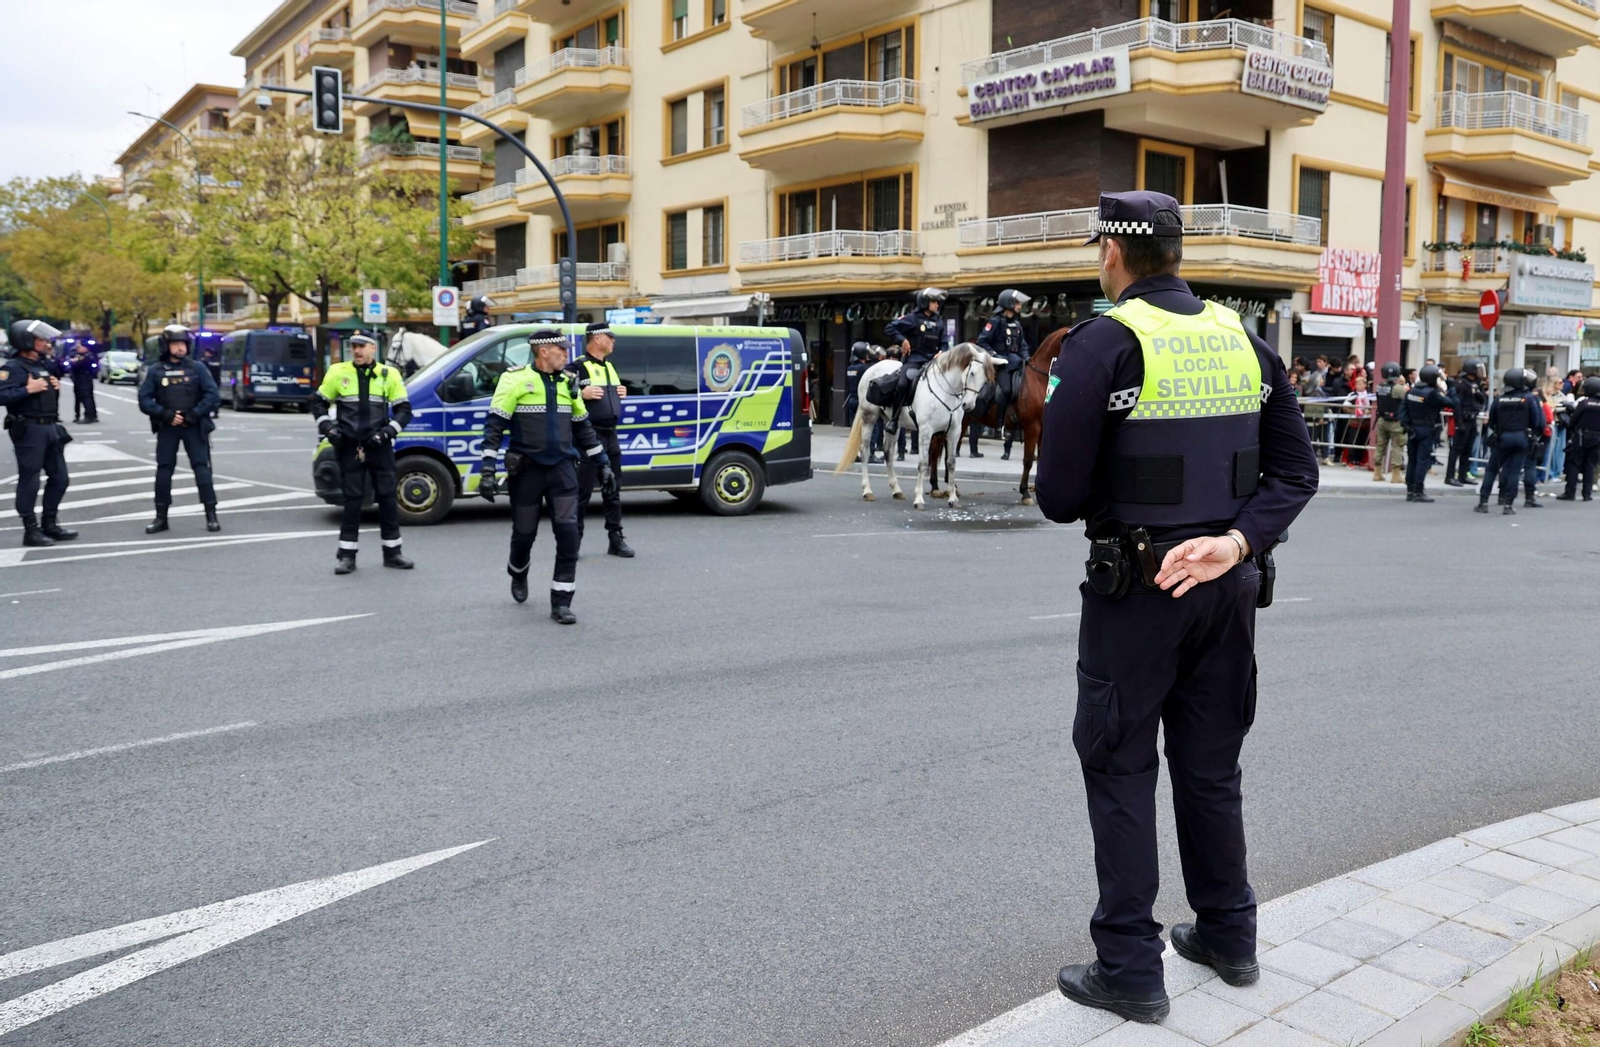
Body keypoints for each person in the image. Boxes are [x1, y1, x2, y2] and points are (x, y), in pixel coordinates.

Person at [1036, 191, 1318, 1024]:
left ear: (1113, 255)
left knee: (1120, 765)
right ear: (1177, 254)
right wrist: (1234, 542)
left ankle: (1129, 965)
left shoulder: (1102, 346)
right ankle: (1229, 935)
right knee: (1210, 765)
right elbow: (1295, 474)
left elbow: (1057, 496)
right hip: (1228, 588)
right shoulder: (1243, 339)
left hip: (1140, 590)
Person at [479, 329, 616, 625]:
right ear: (544, 352)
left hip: (563, 470)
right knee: (524, 534)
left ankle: (561, 602)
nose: (567, 355)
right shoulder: (513, 379)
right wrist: (487, 470)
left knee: (568, 535)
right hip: (526, 470)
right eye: (561, 350)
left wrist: (603, 463)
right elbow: (494, 428)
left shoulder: (569, 383)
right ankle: (518, 571)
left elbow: (582, 428)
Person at [312, 333, 414, 574]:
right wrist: (328, 428)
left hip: (379, 446)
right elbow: (317, 403)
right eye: (353, 347)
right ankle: (346, 556)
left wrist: (387, 432)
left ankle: (393, 552)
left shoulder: (389, 374)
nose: (356, 351)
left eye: (361, 347)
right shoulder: (338, 372)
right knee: (352, 499)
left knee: (388, 498)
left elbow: (404, 410)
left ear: (372, 348)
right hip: (349, 446)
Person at [138, 324, 223, 534]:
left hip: (194, 426)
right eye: (175, 344)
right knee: (164, 470)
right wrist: (165, 414)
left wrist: (193, 414)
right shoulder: (156, 370)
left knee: (202, 470)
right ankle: (161, 517)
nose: (180, 348)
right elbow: (144, 399)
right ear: (166, 346)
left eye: (182, 344)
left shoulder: (198, 368)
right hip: (168, 427)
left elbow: (212, 395)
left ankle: (211, 516)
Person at [1, 319, 77, 547]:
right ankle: (30, 530)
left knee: (60, 478)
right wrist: (28, 389)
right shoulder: (12, 368)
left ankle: (50, 524)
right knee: (30, 480)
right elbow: (2, 396)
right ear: (25, 340)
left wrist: (54, 386)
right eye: (40, 339)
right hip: (29, 429)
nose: (45, 343)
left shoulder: (43, 364)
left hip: (50, 426)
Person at [565, 321, 633, 558]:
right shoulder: (577, 367)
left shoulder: (610, 367)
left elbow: (609, 397)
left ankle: (616, 538)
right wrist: (580, 393)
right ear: (596, 338)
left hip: (610, 435)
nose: (613, 340)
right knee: (581, 493)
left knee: (613, 489)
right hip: (587, 437)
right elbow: (560, 394)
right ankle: (573, 542)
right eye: (609, 336)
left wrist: (620, 392)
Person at [1475, 368, 1543, 516]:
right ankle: (1508, 505)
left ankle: (1483, 502)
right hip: (1522, 438)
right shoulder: (1528, 398)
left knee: (1492, 470)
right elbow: (1536, 421)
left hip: (1503, 437)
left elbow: (1492, 421)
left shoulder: (1500, 399)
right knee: (1514, 471)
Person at [975, 288, 1033, 459]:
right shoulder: (995, 322)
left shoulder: (1017, 323)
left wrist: (1027, 357)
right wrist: (994, 356)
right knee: (1006, 390)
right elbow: (982, 342)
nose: (1020, 306)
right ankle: (999, 424)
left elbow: (1022, 344)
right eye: (1017, 303)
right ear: (1008, 303)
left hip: (1017, 363)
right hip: (1001, 365)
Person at [882, 287, 948, 435]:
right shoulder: (912, 318)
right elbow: (890, 328)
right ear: (925, 302)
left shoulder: (939, 321)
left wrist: (942, 352)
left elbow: (944, 342)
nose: (937, 305)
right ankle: (894, 419)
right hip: (914, 360)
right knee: (902, 384)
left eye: (938, 302)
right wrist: (903, 340)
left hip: (933, 362)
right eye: (934, 302)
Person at [1398, 363, 1456, 503]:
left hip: (1412, 429)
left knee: (1412, 460)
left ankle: (1410, 490)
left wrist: (1407, 426)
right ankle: (1419, 490)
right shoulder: (1432, 394)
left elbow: (1402, 411)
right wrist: (1450, 385)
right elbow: (1453, 402)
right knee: (1422, 461)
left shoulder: (1411, 391)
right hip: (1426, 429)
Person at [1556, 375, 1600, 502]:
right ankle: (1587, 494)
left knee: (1574, 464)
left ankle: (1570, 492)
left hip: (1582, 437)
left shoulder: (1584, 404)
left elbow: (1573, 421)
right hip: (1597, 438)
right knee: (1590, 466)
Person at [1445, 360, 1487, 487]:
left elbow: (1481, 400)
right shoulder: (1460, 384)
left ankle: (1463, 475)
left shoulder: (1474, 384)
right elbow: (1457, 405)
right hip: (1463, 420)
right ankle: (1450, 476)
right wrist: (1459, 423)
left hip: (1472, 420)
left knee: (1467, 450)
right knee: (1456, 449)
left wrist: (1480, 393)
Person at [1372, 362, 1407, 485]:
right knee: (1397, 446)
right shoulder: (1398, 388)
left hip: (1382, 420)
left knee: (1380, 446)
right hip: (1395, 422)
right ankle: (1396, 475)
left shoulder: (1379, 386)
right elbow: (1405, 399)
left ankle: (1377, 472)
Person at [66, 342, 99, 423]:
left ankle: (89, 416)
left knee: (86, 397)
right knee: (85, 397)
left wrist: (75, 362)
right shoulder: (78, 355)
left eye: (80, 347)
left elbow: (77, 365)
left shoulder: (87, 356)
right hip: (82, 378)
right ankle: (91, 415)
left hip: (83, 379)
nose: (78, 348)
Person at [843, 342, 872, 432]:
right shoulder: (864, 368)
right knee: (869, 425)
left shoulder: (850, 368)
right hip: (862, 400)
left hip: (852, 398)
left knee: (854, 427)